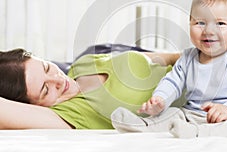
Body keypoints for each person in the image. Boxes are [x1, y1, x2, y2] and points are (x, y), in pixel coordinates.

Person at [111, 0, 227, 138]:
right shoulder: (188, 57)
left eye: (220, 23)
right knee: (173, 113)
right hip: (193, 115)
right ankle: (143, 126)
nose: (209, 30)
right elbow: (172, 82)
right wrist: (160, 99)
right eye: (200, 23)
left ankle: (199, 133)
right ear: (190, 24)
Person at [0, 47, 180, 129]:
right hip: (202, 103)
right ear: (33, 106)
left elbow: (172, 57)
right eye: (46, 90)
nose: (58, 80)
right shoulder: (71, 114)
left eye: (47, 67)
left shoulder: (83, 64)